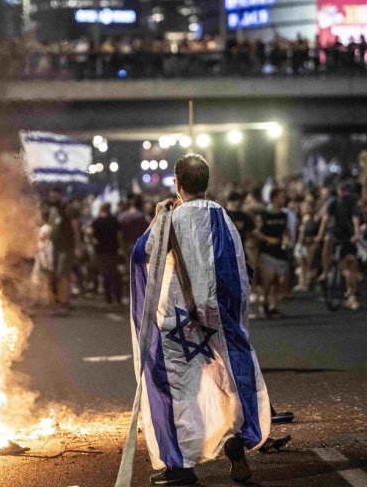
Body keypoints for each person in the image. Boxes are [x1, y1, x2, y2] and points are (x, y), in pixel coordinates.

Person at [119, 154, 270, 486]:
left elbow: (140, 255)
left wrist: (158, 216)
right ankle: (234, 438)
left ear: (178, 183)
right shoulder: (223, 218)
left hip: (177, 318)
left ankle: (181, 465)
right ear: (207, 183)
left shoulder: (169, 219)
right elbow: (239, 271)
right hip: (220, 318)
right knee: (226, 375)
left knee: (175, 388)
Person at [317, 182, 362, 311]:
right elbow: (325, 219)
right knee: (326, 242)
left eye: (345, 190)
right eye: (341, 190)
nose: (343, 193)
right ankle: (325, 272)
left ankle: (351, 295)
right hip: (335, 235)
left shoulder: (352, 202)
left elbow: (355, 219)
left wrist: (357, 233)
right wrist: (320, 235)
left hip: (348, 237)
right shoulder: (333, 202)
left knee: (350, 265)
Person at [255, 188, 292, 318]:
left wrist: (287, 240)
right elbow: (256, 232)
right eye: (281, 197)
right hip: (266, 250)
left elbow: (286, 232)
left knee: (280, 279)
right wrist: (267, 239)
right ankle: (264, 300)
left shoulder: (284, 215)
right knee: (269, 277)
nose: (284, 200)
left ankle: (274, 306)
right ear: (274, 198)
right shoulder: (264, 214)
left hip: (279, 250)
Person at [91, 202, 121, 304]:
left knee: (105, 274)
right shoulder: (114, 220)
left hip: (101, 251)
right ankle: (118, 297)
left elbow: (93, 237)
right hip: (113, 250)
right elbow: (119, 235)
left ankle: (108, 298)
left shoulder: (96, 222)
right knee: (115, 274)